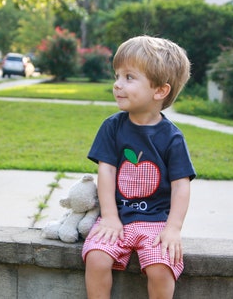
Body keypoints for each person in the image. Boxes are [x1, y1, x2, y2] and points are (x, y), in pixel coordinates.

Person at [82, 35, 196, 299]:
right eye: (117, 75)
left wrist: (173, 228)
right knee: (96, 258)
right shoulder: (113, 127)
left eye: (129, 77)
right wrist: (109, 216)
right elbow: (107, 171)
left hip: (156, 223)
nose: (117, 85)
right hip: (117, 218)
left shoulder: (172, 138)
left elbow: (181, 186)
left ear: (159, 91)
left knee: (160, 267)